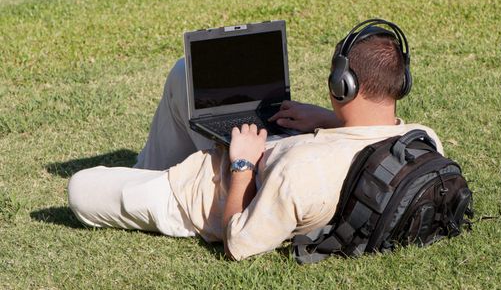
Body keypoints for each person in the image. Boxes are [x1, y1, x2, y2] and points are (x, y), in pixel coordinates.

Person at [68, 19, 443, 261]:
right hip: (260, 147)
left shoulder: (301, 173)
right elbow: (368, 136)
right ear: (401, 85)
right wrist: (328, 118)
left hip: (200, 192)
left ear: (342, 85)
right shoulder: (420, 140)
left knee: (80, 188)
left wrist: (242, 164)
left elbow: (238, 243)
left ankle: (146, 181)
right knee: (186, 73)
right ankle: (144, 174)